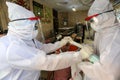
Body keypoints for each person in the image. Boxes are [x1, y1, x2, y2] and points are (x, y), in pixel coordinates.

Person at [0, 2, 93, 80]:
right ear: (23, 25)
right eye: (34, 27)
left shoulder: (26, 39)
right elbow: (46, 62)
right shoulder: (11, 47)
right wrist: (79, 55)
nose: (36, 29)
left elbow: (42, 47)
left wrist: (61, 43)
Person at [78, 0, 120, 80]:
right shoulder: (100, 32)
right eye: (90, 21)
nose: (91, 24)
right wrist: (88, 48)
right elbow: (97, 49)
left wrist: (81, 64)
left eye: (92, 20)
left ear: (105, 16)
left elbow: (108, 74)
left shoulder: (116, 36)